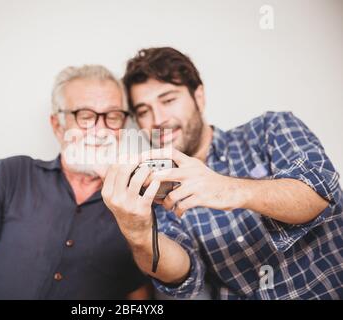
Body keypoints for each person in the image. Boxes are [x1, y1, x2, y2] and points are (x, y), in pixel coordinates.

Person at [101, 47, 343, 299]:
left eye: (168, 100)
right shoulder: (160, 187)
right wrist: (139, 235)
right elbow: (184, 277)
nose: (158, 119)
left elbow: (319, 191)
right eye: (143, 111)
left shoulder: (269, 129)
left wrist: (227, 188)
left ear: (199, 96)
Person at [0, 65, 150, 299]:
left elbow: (138, 294)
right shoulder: (12, 174)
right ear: (58, 126)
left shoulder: (134, 200)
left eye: (113, 117)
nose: (100, 131)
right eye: (86, 116)